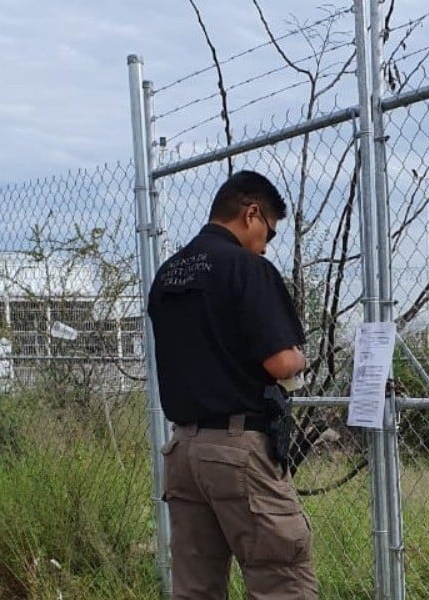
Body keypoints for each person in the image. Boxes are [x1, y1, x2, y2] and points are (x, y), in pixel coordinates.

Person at [148, 170, 318, 599]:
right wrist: (300, 357)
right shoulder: (246, 268)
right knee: (282, 581)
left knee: (195, 587)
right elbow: (281, 362)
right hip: (237, 449)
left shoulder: (168, 274)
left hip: (182, 451)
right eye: (269, 233)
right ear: (251, 214)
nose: (266, 245)